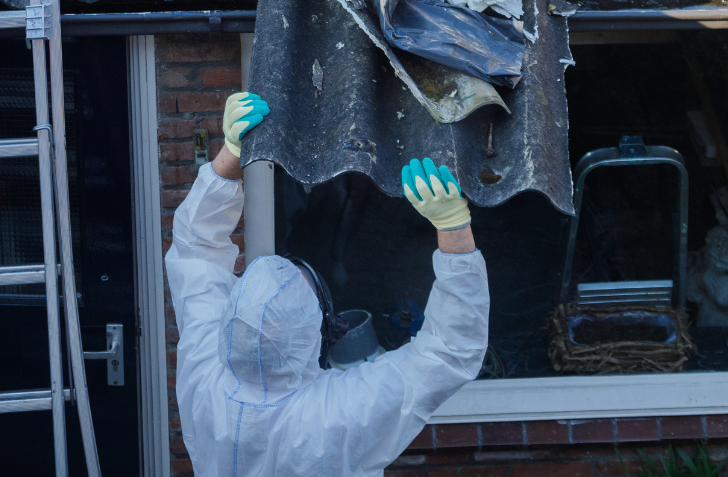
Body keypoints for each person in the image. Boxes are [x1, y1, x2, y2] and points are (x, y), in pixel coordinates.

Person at [165, 92, 489, 476]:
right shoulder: (335, 414)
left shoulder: (205, 377)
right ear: (315, 334)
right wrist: (454, 230)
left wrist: (230, 155)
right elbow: (450, 353)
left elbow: (195, 251)